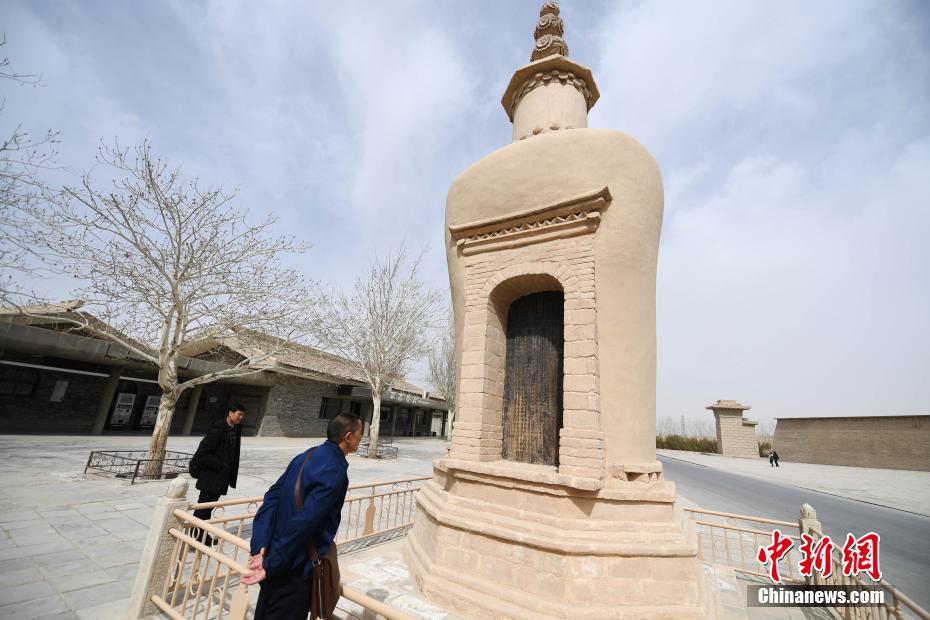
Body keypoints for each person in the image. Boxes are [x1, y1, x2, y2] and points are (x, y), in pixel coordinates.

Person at [242, 413, 363, 620]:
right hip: (294, 568)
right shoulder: (335, 470)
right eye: (361, 434)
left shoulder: (306, 455)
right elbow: (306, 522)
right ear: (349, 437)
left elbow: (271, 498)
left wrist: (259, 547)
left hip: (273, 556)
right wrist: (271, 563)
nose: (362, 438)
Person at [188, 402, 245, 544]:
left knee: (208, 507)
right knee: (203, 508)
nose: (241, 418)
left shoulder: (234, 429)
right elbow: (202, 453)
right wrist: (221, 465)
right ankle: (196, 536)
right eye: (239, 414)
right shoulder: (218, 429)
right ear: (230, 413)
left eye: (243, 416)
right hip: (211, 476)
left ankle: (200, 535)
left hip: (220, 477)